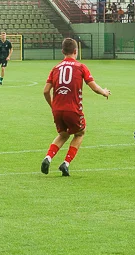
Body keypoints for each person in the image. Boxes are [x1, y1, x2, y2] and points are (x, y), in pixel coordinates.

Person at [41, 38, 111, 176]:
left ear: (62, 51)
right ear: (75, 51)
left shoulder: (55, 68)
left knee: (63, 134)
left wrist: (52, 105)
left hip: (57, 109)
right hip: (72, 109)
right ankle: (65, 163)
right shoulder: (80, 67)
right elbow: (94, 87)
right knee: (80, 133)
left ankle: (48, 157)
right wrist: (104, 92)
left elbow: (45, 91)